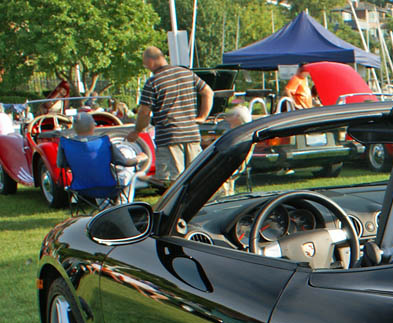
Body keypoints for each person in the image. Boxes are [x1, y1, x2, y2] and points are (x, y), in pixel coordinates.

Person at [127, 46, 213, 185]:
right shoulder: (186, 73)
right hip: (191, 133)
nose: (145, 66)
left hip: (169, 137)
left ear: (150, 61)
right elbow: (208, 92)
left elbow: (144, 112)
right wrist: (202, 116)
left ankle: (178, 207)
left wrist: (137, 131)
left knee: (174, 182)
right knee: (195, 179)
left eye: (145, 63)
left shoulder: (153, 82)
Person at [58, 112, 147, 206]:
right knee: (129, 173)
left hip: (81, 189)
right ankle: (123, 204)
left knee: (94, 175)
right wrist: (140, 157)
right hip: (109, 187)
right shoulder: (103, 142)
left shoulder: (66, 144)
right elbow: (125, 162)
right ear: (92, 126)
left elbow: (61, 164)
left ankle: (104, 207)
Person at [218, 105, 253, 197]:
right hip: (234, 165)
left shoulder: (238, 135)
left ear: (237, 118)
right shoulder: (246, 133)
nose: (228, 119)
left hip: (230, 164)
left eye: (230, 117)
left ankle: (225, 194)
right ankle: (229, 192)